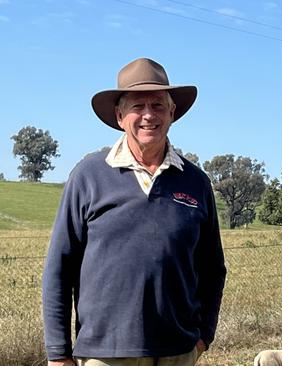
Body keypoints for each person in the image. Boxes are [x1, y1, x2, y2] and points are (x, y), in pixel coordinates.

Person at [42, 58, 227, 366]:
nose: (148, 115)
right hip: (105, 354)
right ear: (119, 115)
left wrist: (203, 337)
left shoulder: (196, 182)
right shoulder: (88, 175)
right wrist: (58, 353)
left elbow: (213, 268)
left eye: (157, 105)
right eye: (137, 106)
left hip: (178, 352)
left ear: (172, 112)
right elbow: (59, 267)